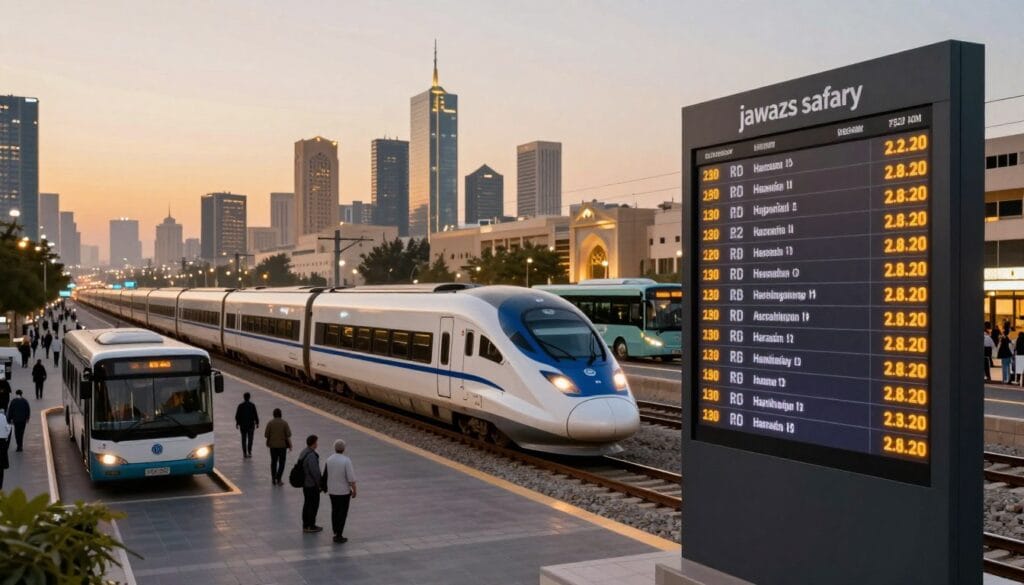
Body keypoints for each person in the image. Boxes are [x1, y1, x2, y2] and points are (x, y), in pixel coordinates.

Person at [324, 439, 358, 544]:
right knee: (342, 513)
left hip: (332, 491)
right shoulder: (346, 460)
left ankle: (335, 531)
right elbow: (351, 478)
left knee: (334, 511)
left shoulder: (329, 459)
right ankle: (339, 534)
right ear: (344, 449)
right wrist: (354, 490)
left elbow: (325, 474)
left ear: (334, 448)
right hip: (343, 492)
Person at [298, 434, 324, 533]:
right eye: (316, 442)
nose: (317, 444)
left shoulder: (304, 452)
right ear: (313, 443)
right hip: (311, 485)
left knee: (307, 504)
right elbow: (315, 472)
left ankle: (306, 525)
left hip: (305, 483)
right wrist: (320, 484)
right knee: (313, 505)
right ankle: (311, 525)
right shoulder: (312, 455)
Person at [264, 408, 292, 485]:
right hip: (282, 446)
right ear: (280, 414)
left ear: (273, 414)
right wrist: (290, 445)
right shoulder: (284, 423)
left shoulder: (270, 423)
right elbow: (288, 435)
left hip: (272, 446)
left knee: (273, 462)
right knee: (282, 463)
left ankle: (273, 478)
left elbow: (266, 435)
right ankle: (279, 478)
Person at [234, 392, 260, 458]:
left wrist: (237, 423)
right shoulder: (252, 405)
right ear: (249, 397)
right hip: (251, 425)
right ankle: (249, 451)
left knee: (243, 439)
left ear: (244, 397)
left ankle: (244, 453)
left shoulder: (240, 406)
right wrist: (257, 423)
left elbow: (237, 416)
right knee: (250, 439)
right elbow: (255, 415)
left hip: (243, 426)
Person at [0, 408, 10, 489]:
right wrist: (6, 437)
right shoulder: (3, 417)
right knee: (1, 467)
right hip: (2, 442)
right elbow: (7, 428)